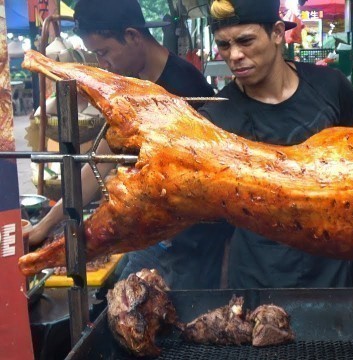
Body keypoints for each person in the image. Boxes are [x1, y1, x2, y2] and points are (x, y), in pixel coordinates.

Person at [200, 0, 353, 288]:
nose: (234, 56)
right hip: (258, 277)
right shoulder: (216, 118)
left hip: (334, 268)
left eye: (245, 41)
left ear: (277, 32)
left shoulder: (330, 88)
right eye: (223, 45)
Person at [29, 0, 232, 289]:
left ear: (133, 36)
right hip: (156, 235)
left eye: (104, 52)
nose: (103, 64)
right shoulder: (134, 83)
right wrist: (45, 226)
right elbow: (101, 158)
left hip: (190, 246)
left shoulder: (186, 89)